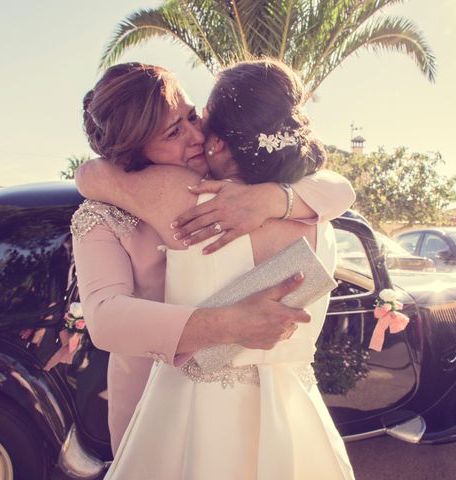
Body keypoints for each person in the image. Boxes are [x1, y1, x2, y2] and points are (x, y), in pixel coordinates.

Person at [71, 62, 355, 455]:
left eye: (192, 116)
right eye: (173, 132)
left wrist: (273, 198)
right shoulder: (102, 215)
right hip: (149, 400)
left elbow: (338, 188)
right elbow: (105, 317)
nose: (196, 135)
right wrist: (229, 323)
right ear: (133, 151)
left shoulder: (242, 188)